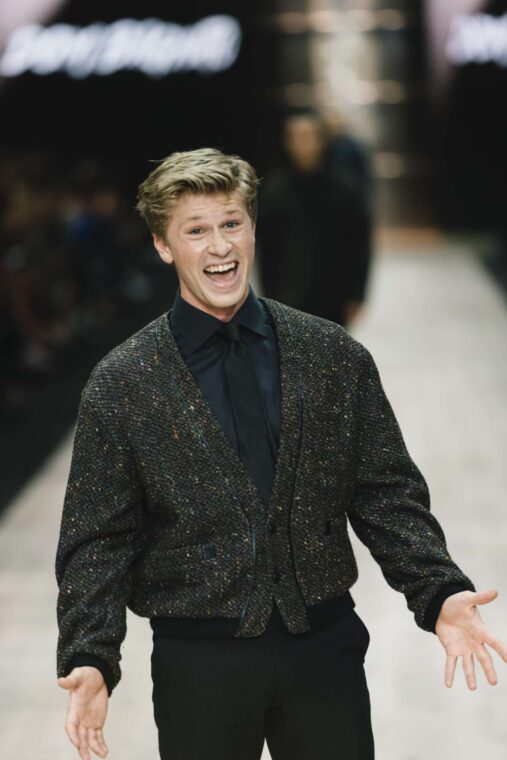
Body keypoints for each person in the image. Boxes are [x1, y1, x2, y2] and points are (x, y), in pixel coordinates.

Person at [55, 148, 506, 760]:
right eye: (196, 230)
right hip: (199, 661)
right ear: (163, 246)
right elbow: (97, 538)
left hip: (323, 646)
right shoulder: (124, 382)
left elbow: (386, 492)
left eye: (232, 224)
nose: (220, 248)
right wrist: (90, 653)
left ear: (253, 229)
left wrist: (439, 592)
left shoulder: (330, 355)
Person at [256, 109, 371, 328]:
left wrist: (358, 295)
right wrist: (268, 299)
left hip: (334, 297)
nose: (302, 144)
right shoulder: (274, 191)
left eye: (308, 136)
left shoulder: (345, 189)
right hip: (289, 297)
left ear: (322, 140)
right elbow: (267, 250)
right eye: (295, 137)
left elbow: (360, 244)